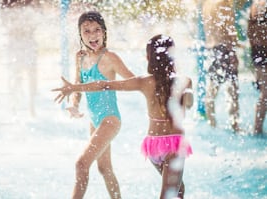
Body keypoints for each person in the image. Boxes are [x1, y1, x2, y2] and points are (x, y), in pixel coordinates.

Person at [53, 34, 193, 199]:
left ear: (148, 57)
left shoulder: (144, 81)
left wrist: (75, 87)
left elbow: (105, 85)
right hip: (173, 145)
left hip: (153, 145)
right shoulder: (184, 81)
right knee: (169, 194)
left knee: (179, 190)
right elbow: (188, 106)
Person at [59, 11, 134, 199]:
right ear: (80, 34)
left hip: (110, 119)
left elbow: (135, 81)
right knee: (104, 168)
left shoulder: (110, 58)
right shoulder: (80, 57)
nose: (92, 35)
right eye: (86, 31)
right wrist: (74, 104)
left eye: (96, 30)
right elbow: (78, 85)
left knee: (81, 164)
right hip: (95, 121)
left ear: (104, 32)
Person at [202, 0, 240, 132]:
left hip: (212, 50)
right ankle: (235, 127)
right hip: (225, 50)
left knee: (211, 92)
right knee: (233, 91)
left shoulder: (207, 4)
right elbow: (229, 29)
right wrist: (233, 52)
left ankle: (211, 125)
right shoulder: (223, 3)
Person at [247, 0, 267, 134]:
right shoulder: (261, 4)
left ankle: (257, 129)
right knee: (265, 93)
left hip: (258, 52)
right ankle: (257, 129)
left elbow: (251, 32)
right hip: (262, 52)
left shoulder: (255, 5)